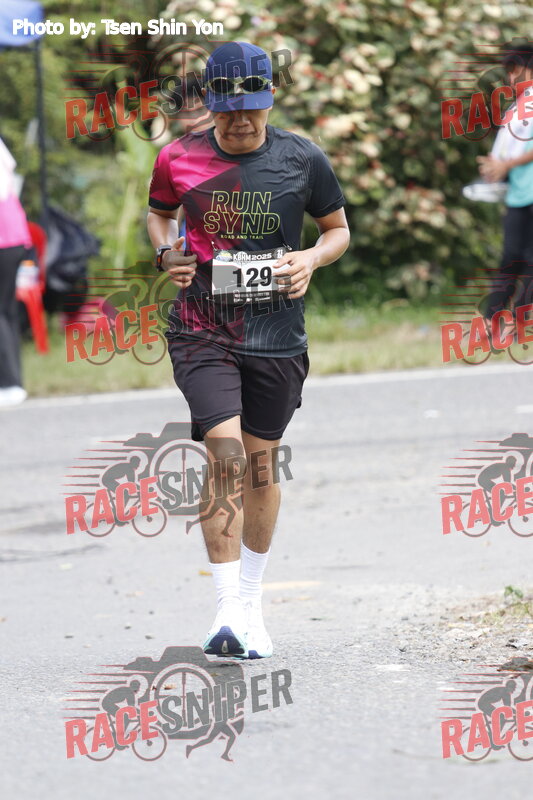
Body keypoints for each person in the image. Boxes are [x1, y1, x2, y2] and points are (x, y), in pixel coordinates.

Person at [147, 41, 350, 659]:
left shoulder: (302, 157)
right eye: (228, 108)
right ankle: (225, 610)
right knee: (225, 454)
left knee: (261, 467)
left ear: (270, 99)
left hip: (277, 336)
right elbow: (160, 217)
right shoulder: (177, 157)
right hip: (202, 329)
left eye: (252, 107)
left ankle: (252, 603)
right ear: (209, 102)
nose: (240, 120)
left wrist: (310, 259)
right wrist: (166, 253)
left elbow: (337, 230)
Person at [477, 43, 533, 324]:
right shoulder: (518, 106)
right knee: (511, 258)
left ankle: (520, 321)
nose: (511, 78)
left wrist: (506, 165)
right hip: (519, 195)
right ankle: (492, 320)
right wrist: (493, 166)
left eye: (515, 71)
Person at [0, 135, 31, 406]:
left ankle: (8, 384)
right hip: (15, 237)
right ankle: (14, 382)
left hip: (3, 238)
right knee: (6, 311)